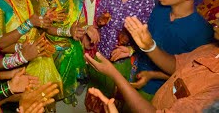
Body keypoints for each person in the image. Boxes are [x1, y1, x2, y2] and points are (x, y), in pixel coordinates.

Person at [112, 0, 214, 101]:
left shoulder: (202, 32)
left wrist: (153, 75)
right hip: (138, 73)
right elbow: (151, 42)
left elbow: (189, 72)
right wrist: (132, 50)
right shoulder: (159, 11)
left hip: (161, 90)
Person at [85, 11, 219, 112]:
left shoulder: (215, 91)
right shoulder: (210, 49)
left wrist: (114, 74)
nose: (217, 14)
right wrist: (149, 47)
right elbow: (178, 65)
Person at [0, 0, 63, 111]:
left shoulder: (31, 0)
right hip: (15, 63)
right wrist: (29, 24)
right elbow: (2, 43)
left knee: (44, 98)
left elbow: (37, 31)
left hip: (36, 55)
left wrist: (45, 21)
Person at [88, 0, 155, 112]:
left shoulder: (146, 3)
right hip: (103, 51)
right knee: (98, 89)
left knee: (117, 95)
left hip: (124, 59)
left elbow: (147, 36)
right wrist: (99, 22)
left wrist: (131, 49)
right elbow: (98, 17)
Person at [39, 0, 100, 106]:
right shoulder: (45, 0)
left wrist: (88, 29)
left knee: (70, 75)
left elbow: (82, 21)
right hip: (52, 46)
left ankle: (68, 94)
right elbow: (45, 27)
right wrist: (68, 31)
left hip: (72, 45)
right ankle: (52, 100)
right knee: (54, 79)